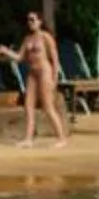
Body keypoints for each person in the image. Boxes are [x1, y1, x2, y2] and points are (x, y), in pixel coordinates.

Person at [18, 9, 70, 148]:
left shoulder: (46, 37)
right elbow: (19, 57)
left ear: (40, 22)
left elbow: (54, 58)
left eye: (33, 20)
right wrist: (4, 51)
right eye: (29, 20)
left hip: (44, 71)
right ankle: (28, 138)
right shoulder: (27, 39)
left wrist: (55, 78)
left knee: (48, 106)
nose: (30, 23)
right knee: (28, 106)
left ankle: (61, 137)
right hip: (32, 73)